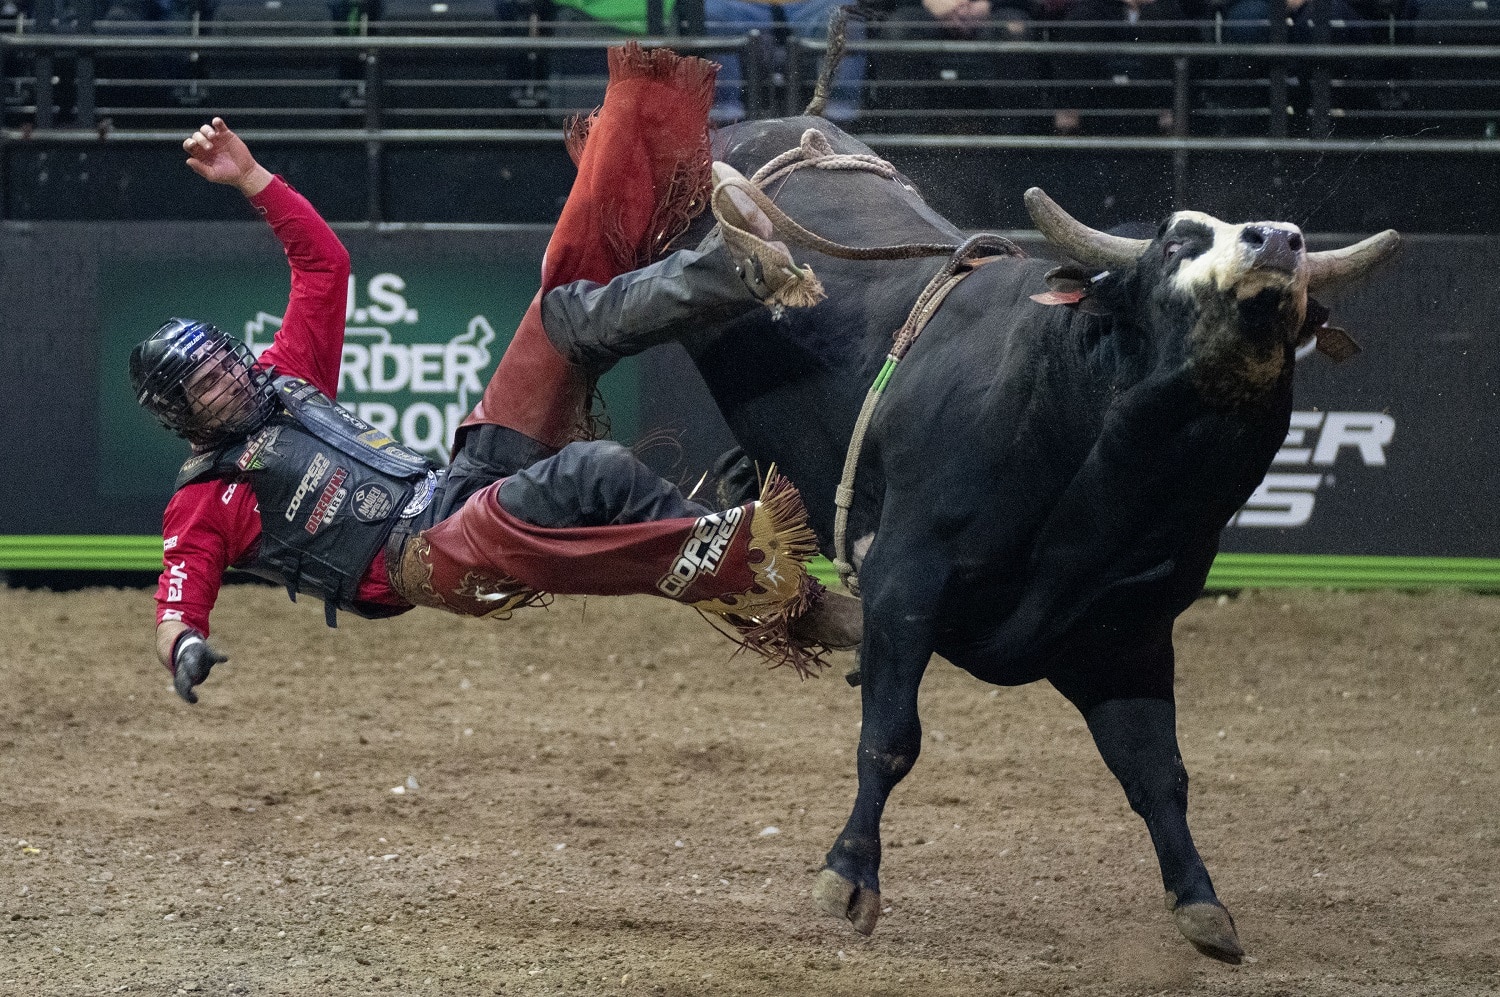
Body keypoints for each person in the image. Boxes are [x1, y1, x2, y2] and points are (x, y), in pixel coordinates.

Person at [135, 47, 860, 706]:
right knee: (594, 473)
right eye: (205, 384)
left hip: (452, 488)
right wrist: (185, 648)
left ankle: (725, 267)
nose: (228, 380)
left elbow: (324, 265)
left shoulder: (284, 377)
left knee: (558, 318)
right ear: (181, 415)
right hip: (426, 558)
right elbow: (177, 606)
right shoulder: (204, 496)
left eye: (222, 363)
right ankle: (760, 581)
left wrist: (252, 177)